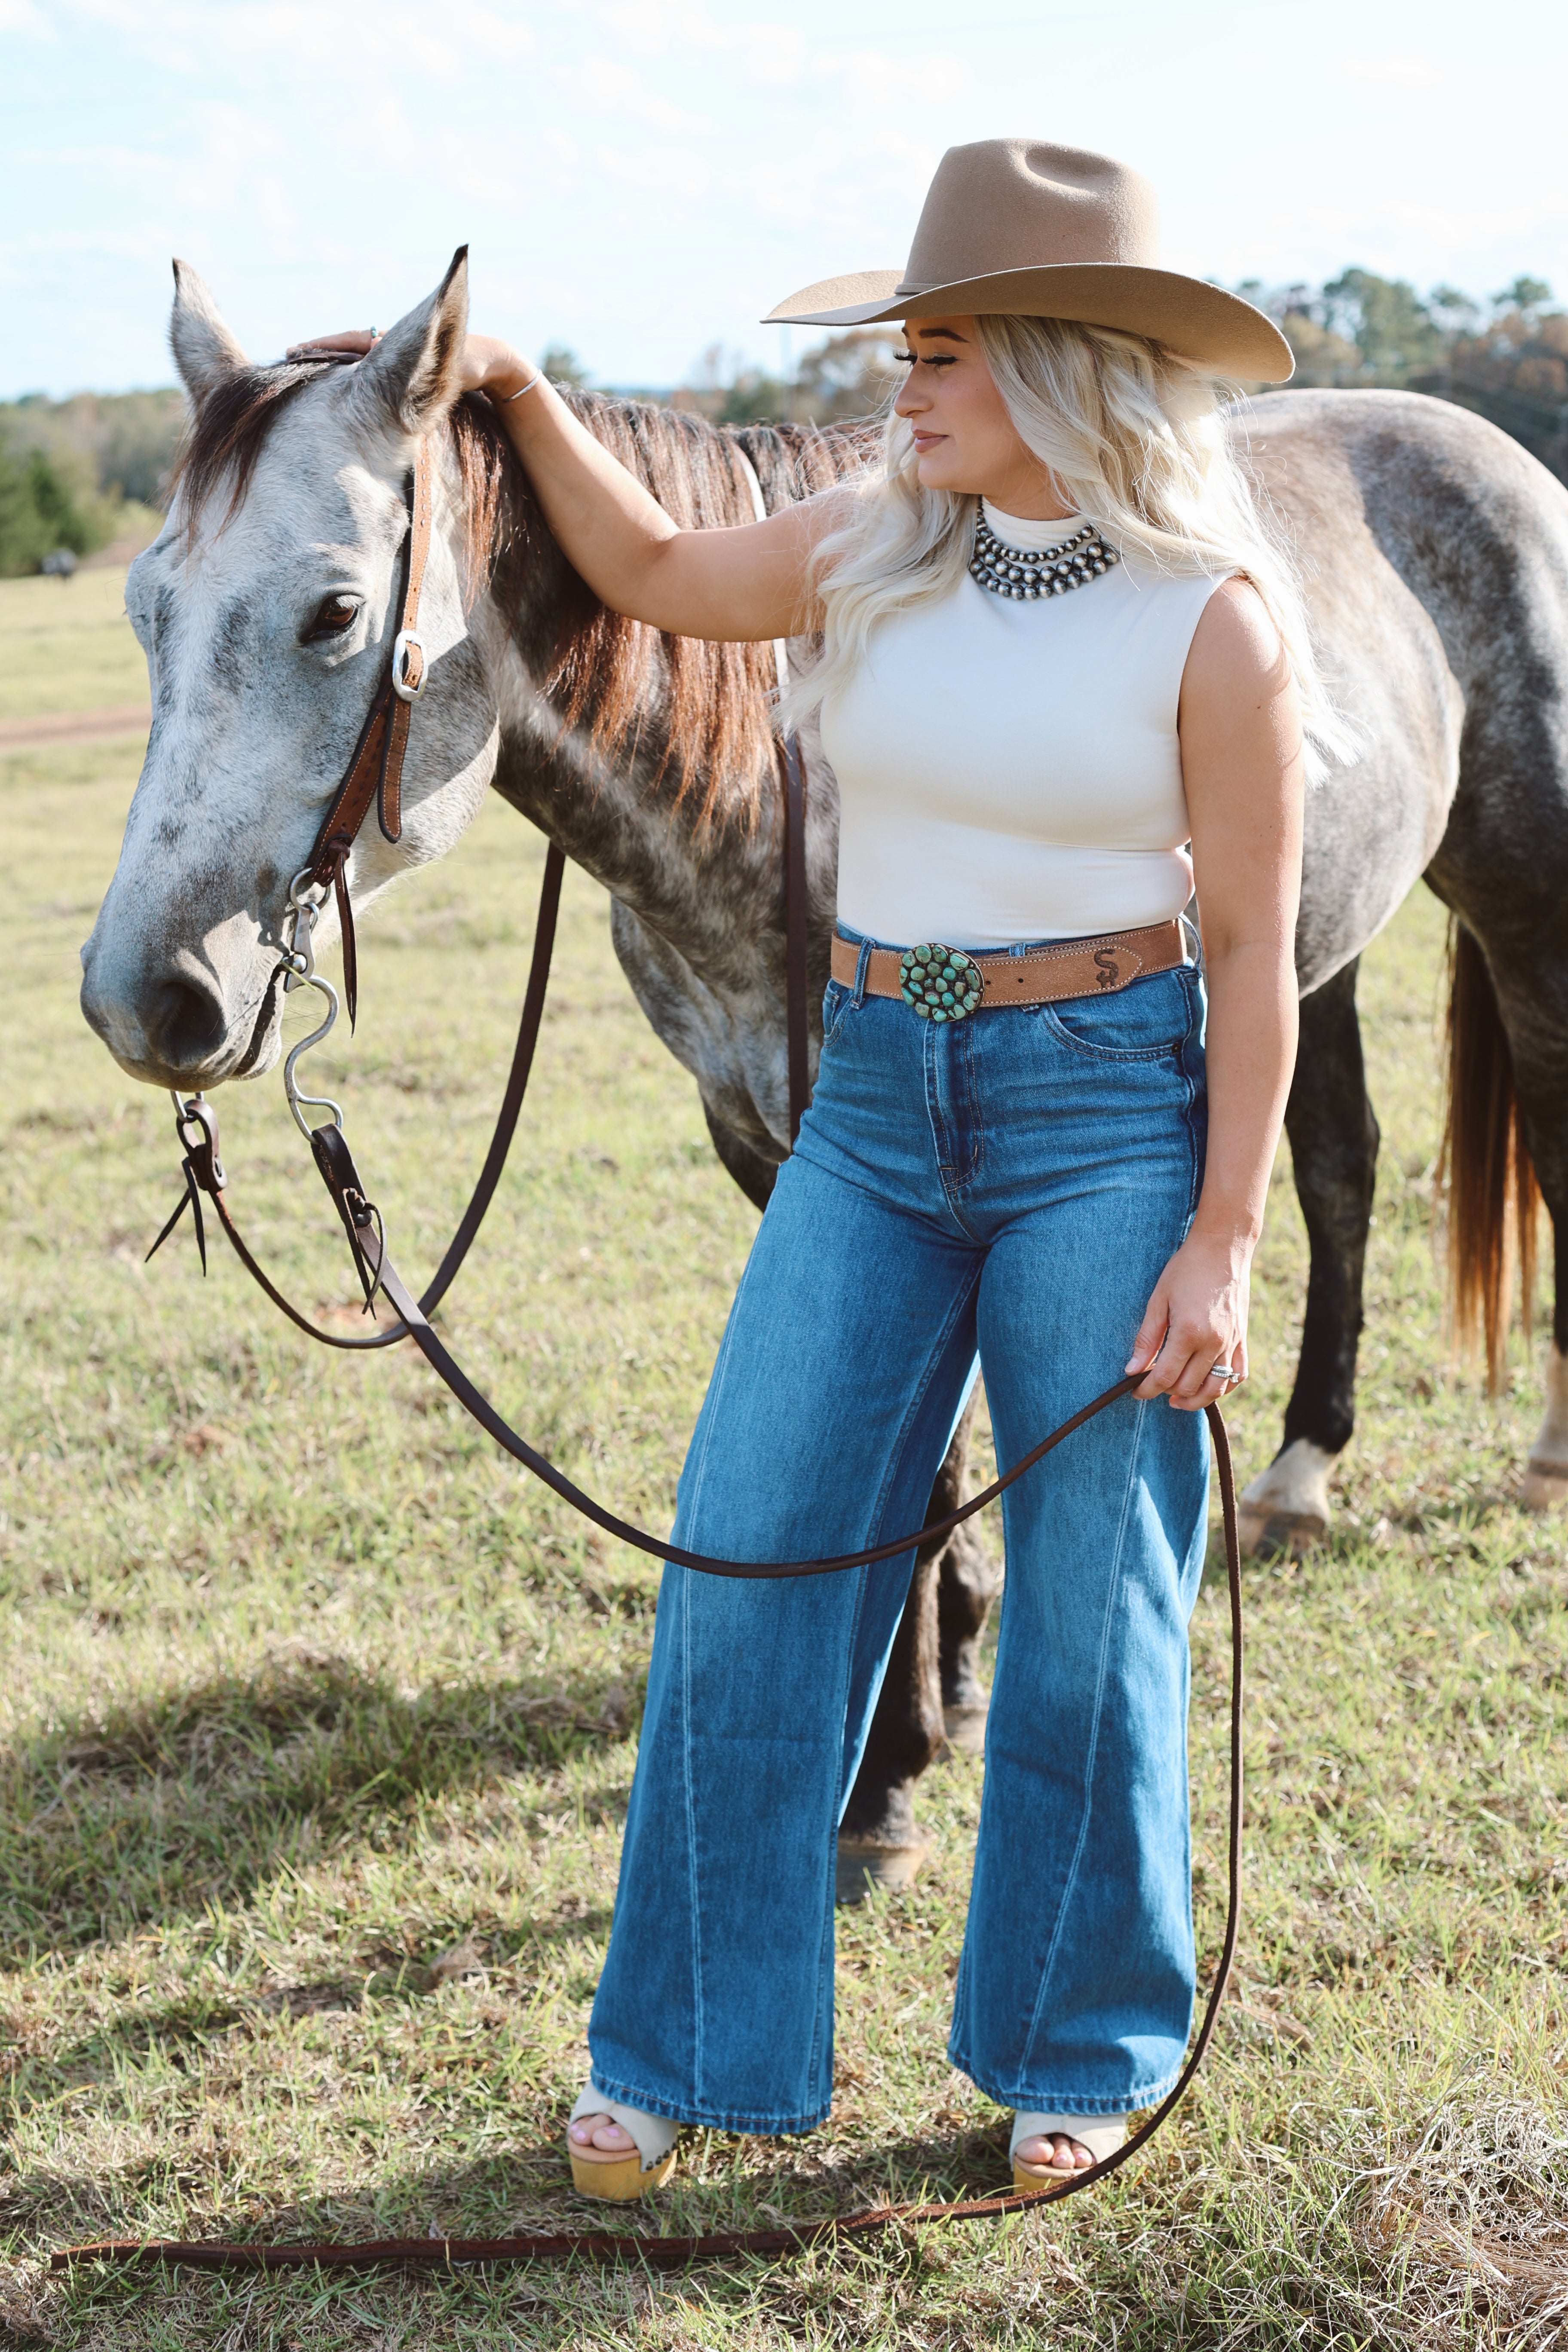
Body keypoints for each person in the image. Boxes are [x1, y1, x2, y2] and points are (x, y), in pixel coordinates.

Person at [295, 138, 1333, 2200]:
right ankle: (684, 2046)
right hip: (868, 1101)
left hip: (1106, 1111)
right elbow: (655, 574)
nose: (902, 383)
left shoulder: (1217, 626)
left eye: (942, 352)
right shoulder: (874, 546)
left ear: (1063, 365)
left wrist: (1224, 1237)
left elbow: (1253, 957)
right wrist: (513, 389)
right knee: (753, 1552)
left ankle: (1076, 2046)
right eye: (905, 348)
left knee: (1092, 1610)